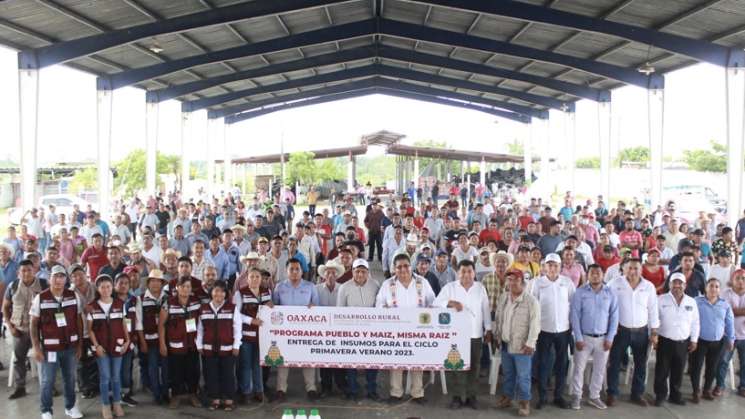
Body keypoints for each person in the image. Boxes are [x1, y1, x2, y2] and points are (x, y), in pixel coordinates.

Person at [375, 254, 436, 403]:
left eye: (406, 266)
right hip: (396, 330)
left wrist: (430, 309)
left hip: (419, 330)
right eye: (399, 266)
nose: (403, 269)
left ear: (411, 266)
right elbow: (378, 305)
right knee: (397, 361)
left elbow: (433, 302)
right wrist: (386, 310)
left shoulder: (422, 282)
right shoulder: (387, 285)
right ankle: (396, 392)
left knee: (417, 361)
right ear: (394, 269)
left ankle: (417, 393)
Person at [434, 259, 491, 409]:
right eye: (463, 271)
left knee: (474, 366)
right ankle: (457, 396)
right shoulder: (450, 287)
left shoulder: (480, 288)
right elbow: (436, 303)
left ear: (474, 273)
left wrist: (488, 329)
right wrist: (451, 303)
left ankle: (472, 396)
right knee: (454, 365)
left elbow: (485, 309)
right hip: (455, 336)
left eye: (469, 271)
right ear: (458, 273)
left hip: (475, 334)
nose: (466, 274)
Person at [30, 265, 85, 419]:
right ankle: (46, 410)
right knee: (48, 381)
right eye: (55, 276)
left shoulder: (74, 296)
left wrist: (80, 345)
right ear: (50, 279)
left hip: (70, 347)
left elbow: (79, 321)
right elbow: (33, 324)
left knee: (70, 379)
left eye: (61, 276)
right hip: (49, 348)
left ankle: (71, 407)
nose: (58, 280)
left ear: (66, 279)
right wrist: (36, 347)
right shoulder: (40, 298)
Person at [606, 258, 659, 407]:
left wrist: (654, 331)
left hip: (641, 332)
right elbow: (606, 305)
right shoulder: (614, 284)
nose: (633, 271)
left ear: (641, 270)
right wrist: (610, 325)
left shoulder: (648, 287)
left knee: (640, 364)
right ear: (624, 269)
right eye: (630, 268)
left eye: (636, 268)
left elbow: (653, 310)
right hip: (620, 331)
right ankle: (612, 393)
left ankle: (637, 394)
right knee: (614, 362)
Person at [569, 264, 618, 410]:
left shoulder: (610, 293)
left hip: (603, 339)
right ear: (588, 275)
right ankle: (577, 396)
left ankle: (594, 396)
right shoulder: (580, 292)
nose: (595, 275)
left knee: (600, 368)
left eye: (598, 273)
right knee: (579, 368)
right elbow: (575, 316)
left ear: (603, 275)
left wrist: (610, 338)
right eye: (592, 273)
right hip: (584, 337)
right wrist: (578, 337)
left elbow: (614, 317)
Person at [494, 268, 541, 417]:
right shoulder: (503, 297)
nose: (512, 283)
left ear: (522, 281)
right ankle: (508, 397)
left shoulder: (531, 301)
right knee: (508, 373)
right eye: (510, 279)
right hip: (506, 342)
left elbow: (535, 325)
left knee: (523, 376)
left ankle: (524, 402)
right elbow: (498, 318)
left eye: (516, 279)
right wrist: (497, 336)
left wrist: (531, 343)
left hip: (522, 346)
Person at [532, 253, 576, 409]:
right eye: (549, 265)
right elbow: (533, 306)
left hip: (563, 331)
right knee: (543, 364)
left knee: (561, 364)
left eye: (555, 265)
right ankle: (542, 397)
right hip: (543, 330)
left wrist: (572, 328)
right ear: (545, 267)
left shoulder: (567, 283)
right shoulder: (537, 283)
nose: (552, 268)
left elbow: (573, 306)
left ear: (560, 267)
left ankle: (558, 396)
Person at [272, 258, 320, 401]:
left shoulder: (311, 287)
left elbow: (317, 308)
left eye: (297, 269)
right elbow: (274, 307)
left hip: (306, 330)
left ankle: (311, 388)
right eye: (291, 269)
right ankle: (281, 389)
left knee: (307, 357)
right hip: (284, 331)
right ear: (286, 271)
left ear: (301, 271)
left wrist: (313, 308)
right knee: (282, 359)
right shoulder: (279, 287)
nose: (294, 272)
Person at [3, 259, 47, 400]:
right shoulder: (13, 286)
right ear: (18, 273)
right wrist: (11, 327)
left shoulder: (44, 284)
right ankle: (20, 387)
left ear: (34, 270)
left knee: (45, 358)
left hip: (41, 330)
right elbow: (5, 307)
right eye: (23, 270)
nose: (26, 273)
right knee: (18, 359)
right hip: (20, 329)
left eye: (29, 270)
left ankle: (48, 387)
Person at [337, 259, 381, 400]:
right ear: (352, 272)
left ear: (368, 272)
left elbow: (379, 308)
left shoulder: (375, 285)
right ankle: (353, 389)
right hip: (351, 333)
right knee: (351, 361)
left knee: (373, 361)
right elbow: (340, 311)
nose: (360, 274)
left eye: (363, 271)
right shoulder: (344, 287)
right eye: (357, 271)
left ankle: (371, 389)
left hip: (372, 332)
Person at [87, 274, 130, 419]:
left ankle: (116, 403)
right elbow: (89, 329)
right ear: (98, 289)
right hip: (101, 348)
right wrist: (96, 346)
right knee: (105, 377)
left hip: (117, 346)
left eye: (108, 287)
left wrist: (127, 341)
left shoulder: (119, 304)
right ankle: (105, 405)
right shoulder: (92, 306)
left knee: (116, 377)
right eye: (102, 287)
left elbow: (124, 323)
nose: (105, 289)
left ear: (112, 288)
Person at [653, 272, 699, 407]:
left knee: (678, 371)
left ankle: (675, 395)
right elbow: (654, 319)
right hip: (665, 341)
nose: (677, 286)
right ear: (669, 284)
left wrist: (694, 340)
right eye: (674, 283)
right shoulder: (661, 299)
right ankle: (660, 396)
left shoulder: (691, 301)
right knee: (662, 370)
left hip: (683, 342)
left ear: (685, 285)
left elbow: (695, 322)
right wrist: (654, 335)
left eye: (680, 283)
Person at [196, 280, 242, 411]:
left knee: (228, 374)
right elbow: (200, 329)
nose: (219, 294)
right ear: (211, 293)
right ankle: (214, 399)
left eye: (222, 291)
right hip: (208, 349)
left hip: (228, 349)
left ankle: (229, 399)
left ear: (225, 294)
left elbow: (237, 328)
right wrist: (199, 344)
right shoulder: (203, 309)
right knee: (211, 374)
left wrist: (236, 346)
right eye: (216, 290)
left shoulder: (232, 308)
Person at [159, 276, 201, 409]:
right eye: (183, 286)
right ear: (177, 288)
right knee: (176, 372)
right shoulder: (168, 303)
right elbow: (161, 325)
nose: (185, 289)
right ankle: (175, 397)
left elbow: (202, 322)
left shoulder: (196, 302)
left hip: (192, 345)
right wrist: (162, 344)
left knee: (193, 372)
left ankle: (193, 395)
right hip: (175, 346)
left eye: (188, 286)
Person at [689, 278, 735, 402]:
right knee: (696, 367)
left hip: (717, 342)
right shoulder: (697, 301)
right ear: (706, 288)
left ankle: (706, 390)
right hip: (700, 341)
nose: (713, 289)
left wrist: (731, 339)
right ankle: (695, 391)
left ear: (720, 290)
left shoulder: (725, 305)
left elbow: (729, 323)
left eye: (716, 286)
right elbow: (690, 319)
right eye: (711, 286)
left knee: (712, 367)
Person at [234, 267, 272, 403]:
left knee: (258, 364)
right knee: (245, 365)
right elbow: (236, 315)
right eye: (252, 277)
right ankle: (246, 392)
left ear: (261, 279)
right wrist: (251, 320)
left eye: (257, 277)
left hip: (262, 336)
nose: (255, 279)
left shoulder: (267, 292)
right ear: (247, 278)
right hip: (246, 335)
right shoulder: (240, 294)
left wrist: (272, 308)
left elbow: (271, 312)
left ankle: (259, 391)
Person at [315, 261, 348, 397]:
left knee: (339, 359)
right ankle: (326, 387)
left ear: (337, 275)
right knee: (324, 359)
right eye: (328, 272)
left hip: (339, 331)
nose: (330, 275)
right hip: (322, 331)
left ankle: (341, 386)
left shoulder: (343, 288)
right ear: (324, 274)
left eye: (333, 272)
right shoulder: (316, 289)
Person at [136, 269, 169, 405]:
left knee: (166, 368)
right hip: (149, 341)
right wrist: (142, 342)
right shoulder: (141, 299)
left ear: (162, 283)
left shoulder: (168, 297)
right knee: (153, 367)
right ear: (148, 283)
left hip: (166, 340)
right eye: (153, 281)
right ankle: (157, 394)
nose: (155, 284)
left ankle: (166, 393)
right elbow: (139, 323)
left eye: (158, 281)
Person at [717, 269, 745, 396]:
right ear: (732, 281)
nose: (740, 281)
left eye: (743, 278)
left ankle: (743, 387)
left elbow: (732, 312)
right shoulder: (725, 294)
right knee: (723, 361)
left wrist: (734, 311)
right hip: (728, 335)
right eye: (737, 278)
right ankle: (720, 386)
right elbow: (725, 312)